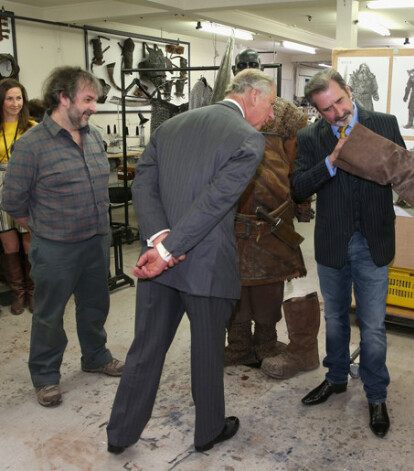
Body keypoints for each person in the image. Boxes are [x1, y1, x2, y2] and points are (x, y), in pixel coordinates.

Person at [106, 68, 276, 454]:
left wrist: (158, 238)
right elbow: (214, 203)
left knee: (145, 350)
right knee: (207, 351)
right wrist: (169, 250)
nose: (269, 115)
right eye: (269, 105)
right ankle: (208, 431)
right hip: (205, 266)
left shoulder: (172, 126)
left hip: (156, 265)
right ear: (251, 95)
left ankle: (119, 435)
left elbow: (143, 183)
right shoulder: (247, 138)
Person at [291, 69, 414, 439]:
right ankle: (336, 379)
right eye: (326, 110)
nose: (337, 113)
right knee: (334, 318)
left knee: (374, 326)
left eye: (340, 103)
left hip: (373, 240)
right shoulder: (309, 137)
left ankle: (376, 395)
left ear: (349, 92)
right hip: (333, 241)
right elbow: (298, 187)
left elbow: (406, 179)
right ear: (317, 110)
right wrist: (331, 161)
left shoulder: (384, 124)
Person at [1, 66, 124, 407]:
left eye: (94, 100)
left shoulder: (95, 136)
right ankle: (44, 375)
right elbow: (12, 202)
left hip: (96, 240)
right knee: (49, 314)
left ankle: (96, 356)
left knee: (95, 305)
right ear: (63, 98)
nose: (93, 108)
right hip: (55, 247)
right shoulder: (31, 145)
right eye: (87, 100)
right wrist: (44, 229)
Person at [225, 48, 321, 381]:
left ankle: (265, 342)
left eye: (254, 65)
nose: (249, 70)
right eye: (244, 66)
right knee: (233, 282)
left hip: (274, 212)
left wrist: (298, 200)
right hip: (232, 213)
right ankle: (237, 344)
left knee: (269, 284)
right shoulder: (223, 112)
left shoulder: (287, 113)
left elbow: (297, 162)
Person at [0, 78, 36, 315]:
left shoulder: (33, 127)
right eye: (10, 98)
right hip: (0, 187)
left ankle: (34, 292)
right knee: (9, 243)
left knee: (28, 242)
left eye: (19, 98)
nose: (15, 103)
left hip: (27, 186)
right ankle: (18, 293)